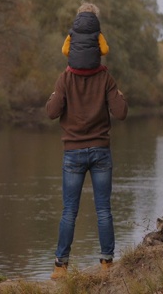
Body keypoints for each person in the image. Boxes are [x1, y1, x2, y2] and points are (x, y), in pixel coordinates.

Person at [45, 43, 128, 279]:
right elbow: (121, 112)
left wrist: (55, 94)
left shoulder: (65, 78)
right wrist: (118, 93)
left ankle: (61, 267)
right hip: (101, 150)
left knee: (69, 211)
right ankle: (107, 264)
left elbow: (51, 112)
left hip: (73, 152)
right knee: (104, 210)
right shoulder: (106, 78)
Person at [61, 2, 110, 75]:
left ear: (78, 16)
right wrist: (96, 52)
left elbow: (64, 50)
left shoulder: (72, 33)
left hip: (75, 69)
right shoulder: (98, 34)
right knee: (104, 71)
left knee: (65, 75)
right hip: (93, 69)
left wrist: (75, 53)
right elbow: (105, 50)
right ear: (95, 17)